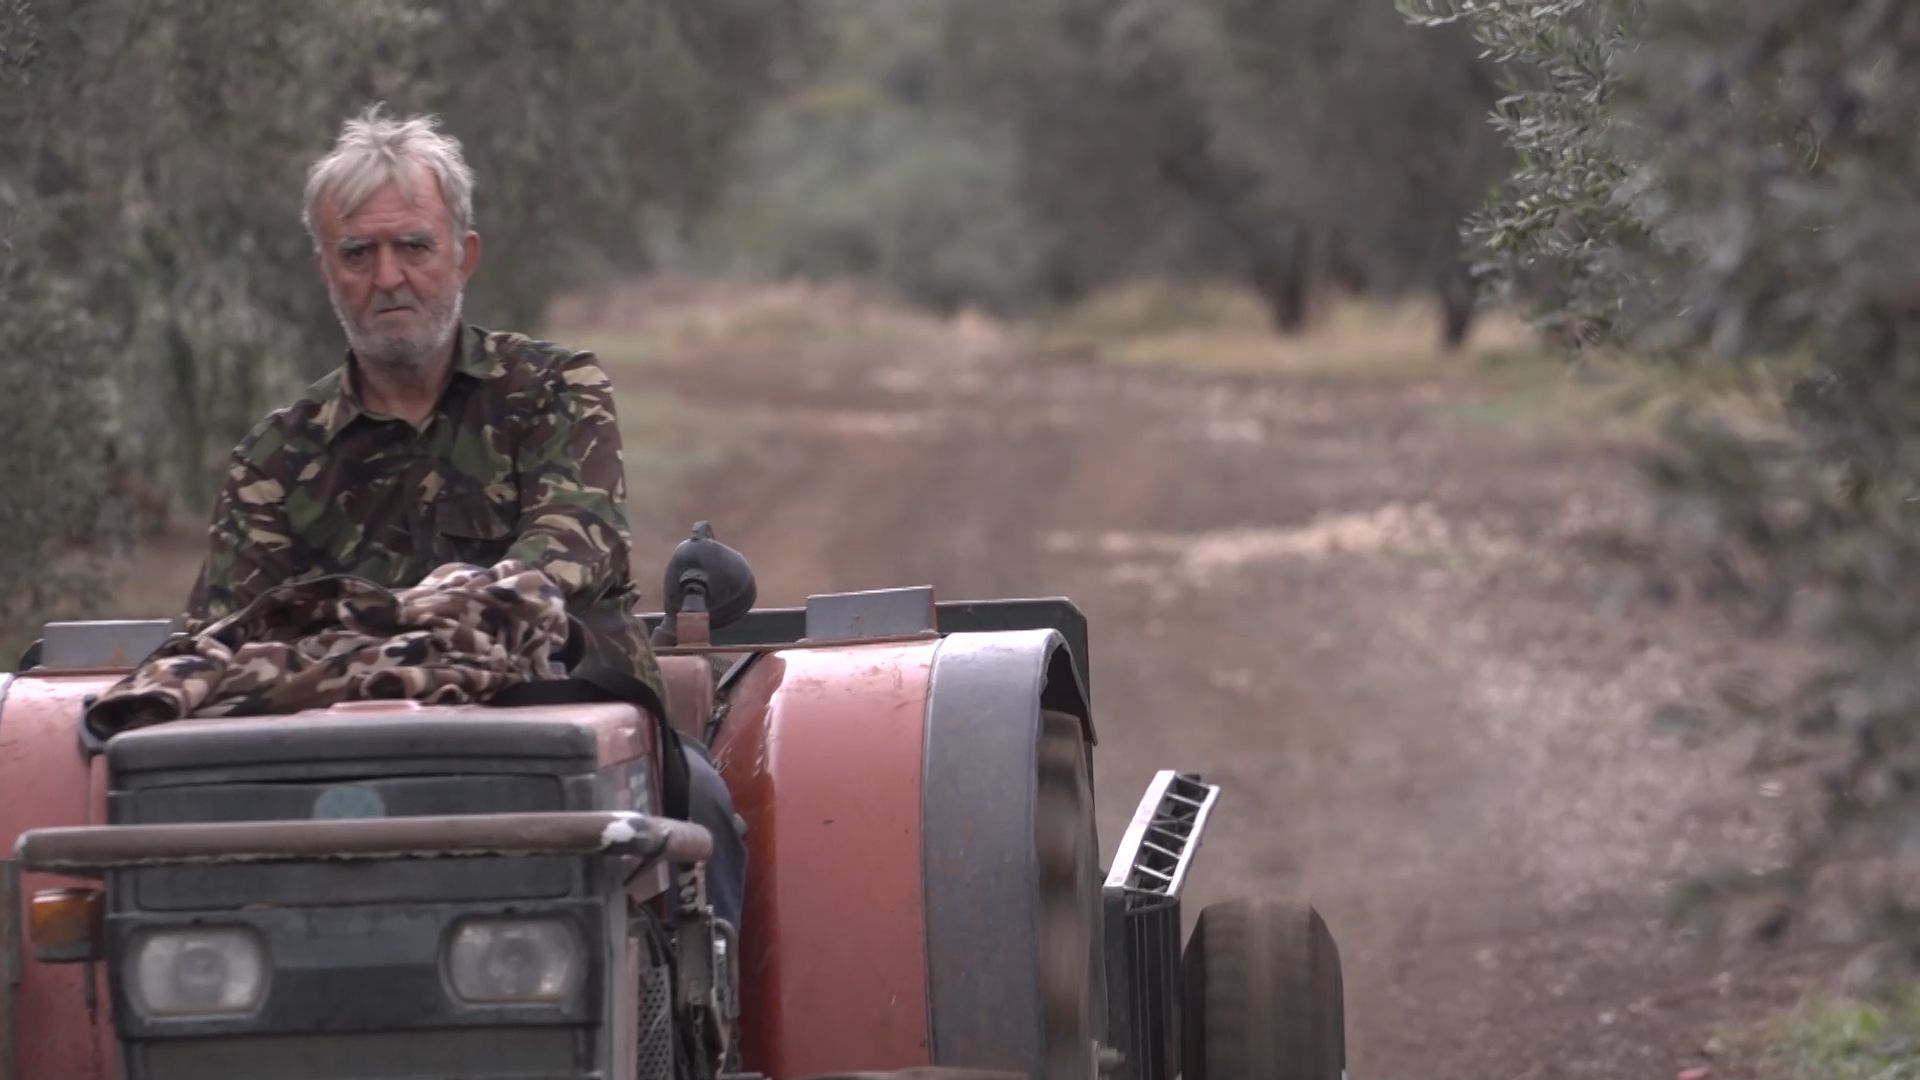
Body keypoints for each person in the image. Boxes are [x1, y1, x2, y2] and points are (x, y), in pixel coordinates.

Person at [181, 104, 745, 932]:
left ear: (463, 255)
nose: (388, 277)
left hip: (565, 728)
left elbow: (571, 539)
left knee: (707, 813)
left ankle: (703, 1011)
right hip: (347, 770)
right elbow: (226, 634)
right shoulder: (276, 456)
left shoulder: (555, 389)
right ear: (326, 270)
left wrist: (438, 620)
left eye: (413, 246)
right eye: (358, 253)